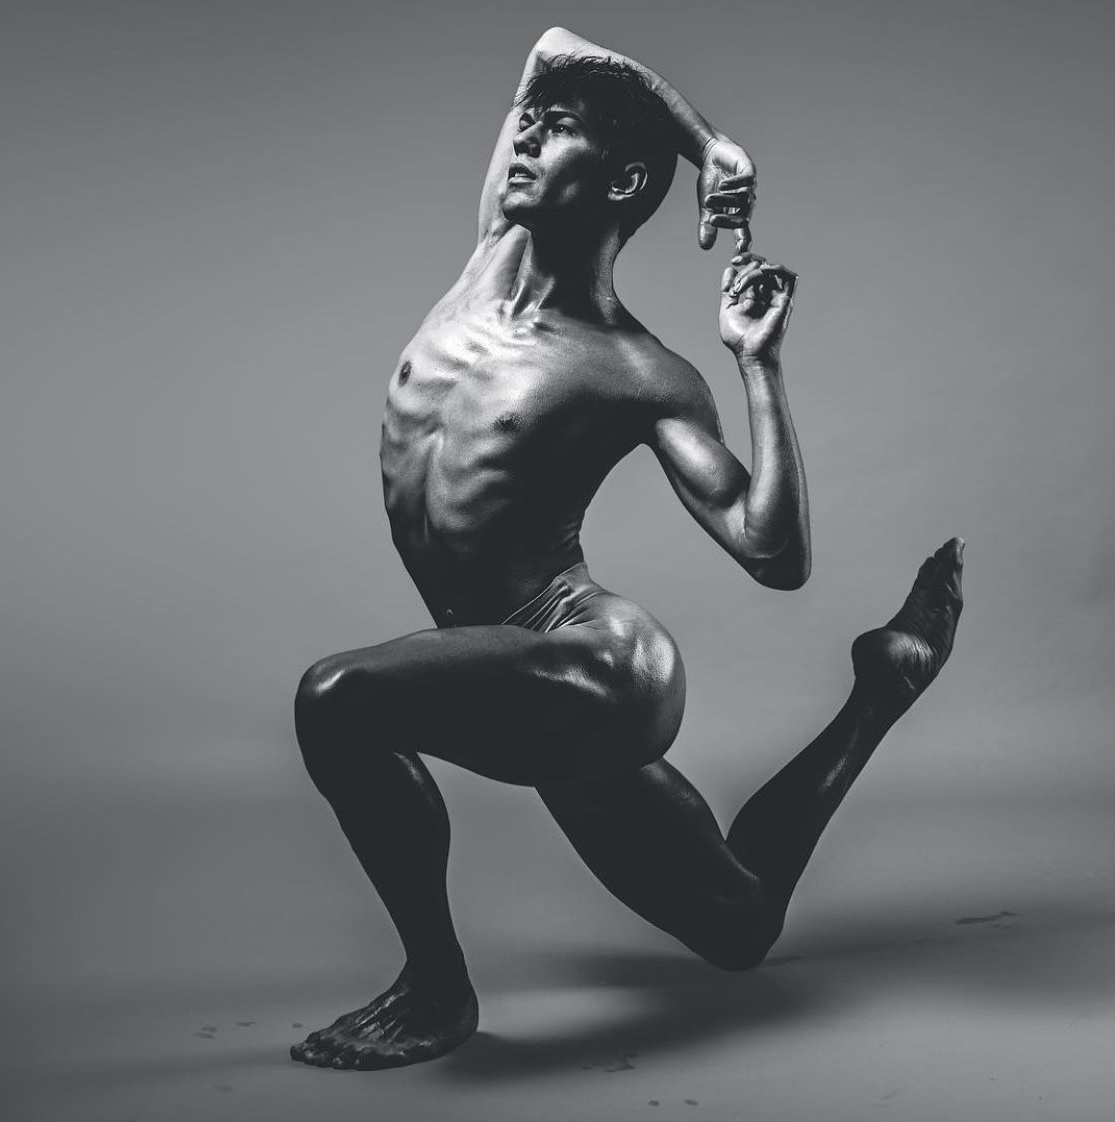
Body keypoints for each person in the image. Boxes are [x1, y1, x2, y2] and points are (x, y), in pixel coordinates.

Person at [289, 26, 964, 1071]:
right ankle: (884, 686)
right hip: (509, 668)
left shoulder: (638, 371)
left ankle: (436, 989)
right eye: (531, 122)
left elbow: (771, 551)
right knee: (740, 928)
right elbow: (553, 47)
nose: (522, 137)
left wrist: (758, 365)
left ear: (622, 181)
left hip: (599, 665)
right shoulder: (491, 251)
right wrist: (711, 141)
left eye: (555, 134)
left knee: (337, 700)